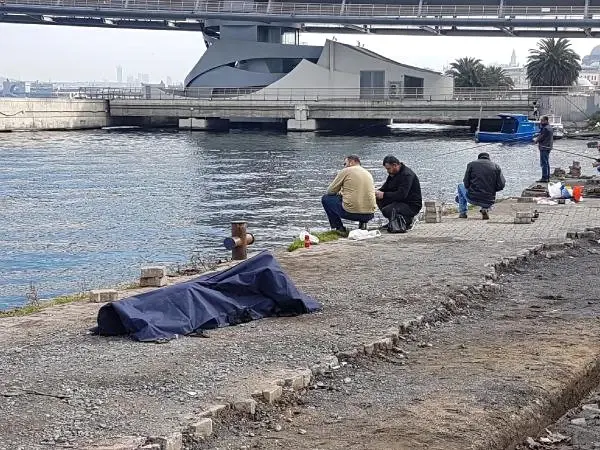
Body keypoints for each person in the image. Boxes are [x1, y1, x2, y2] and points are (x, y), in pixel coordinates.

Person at [321, 155, 376, 233]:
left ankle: (339, 228)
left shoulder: (346, 171)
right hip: (370, 214)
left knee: (326, 198)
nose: (344, 166)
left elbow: (330, 191)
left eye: (345, 164)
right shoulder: (368, 173)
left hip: (351, 213)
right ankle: (363, 224)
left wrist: (340, 193)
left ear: (351, 162)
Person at [375, 155, 422, 229]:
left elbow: (402, 194)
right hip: (400, 201)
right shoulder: (393, 174)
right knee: (379, 199)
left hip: (411, 204)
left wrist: (384, 195)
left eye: (388, 168)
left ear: (395, 165)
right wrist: (377, 192)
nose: (387, 171)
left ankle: (406, 220)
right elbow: (385, 188)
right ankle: (393, 220)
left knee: (387, 210)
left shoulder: (407, 175)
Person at [456, 152, 505, 220]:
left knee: (460, 186)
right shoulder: (496, 166)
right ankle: (484, 209)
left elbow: (466, 182)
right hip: (489, 200)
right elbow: (501, 185)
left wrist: (470, 189)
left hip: (472, 198)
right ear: (489, 158)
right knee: (485, 196)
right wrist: (492, 190)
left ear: (479, 158)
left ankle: (463, 213)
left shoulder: (471, 164)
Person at [534, 115, 553, 183]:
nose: (540, 122)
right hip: (548, 147)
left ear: (546, 121)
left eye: (542, 120)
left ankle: (544, 178)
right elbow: (542, 135)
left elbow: (541, 137)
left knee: (543, 163)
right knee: (546, 162)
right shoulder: (549, 127)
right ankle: (547, 177)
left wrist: (535, 140)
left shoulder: (545, 128)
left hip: (544, 147)